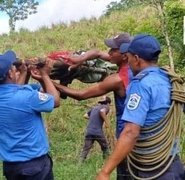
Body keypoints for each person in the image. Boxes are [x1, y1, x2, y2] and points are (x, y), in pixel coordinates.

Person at [96, 34, 185, 180]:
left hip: (152, 170)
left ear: (136, 59)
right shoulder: (170, 79)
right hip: (173, 164)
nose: (128, 62)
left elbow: (131, 132)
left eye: (129, 57)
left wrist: (105, 171)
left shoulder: (140, 85)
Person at [52, 33, 134, 179]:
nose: (109, 53)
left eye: (113, 50)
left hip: (127, 136)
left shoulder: (117, 79)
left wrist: (50, 83)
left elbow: (81, 95)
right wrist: (81, 58)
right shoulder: (136, 64)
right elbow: (97, 52)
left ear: (124, 55)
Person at [0, 50, 60, 180]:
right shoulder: (27, 97)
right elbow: (55, 101)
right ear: (9, 73)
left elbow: (15, 91)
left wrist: (24, 72)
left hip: (11, 167)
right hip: (35, 166)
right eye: (13, 67)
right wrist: (45, 75)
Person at [79, 96, 111, 162]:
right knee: (105, 147)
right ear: (108, 103)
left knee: (86, 149)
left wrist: (94, 118)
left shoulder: (94, 108)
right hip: (98, 132)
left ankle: (79, 163)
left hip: (89, 131)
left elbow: (85, 116)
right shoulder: (106, 107)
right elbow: (102, 111)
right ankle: (106, 162)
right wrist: (106, 122)